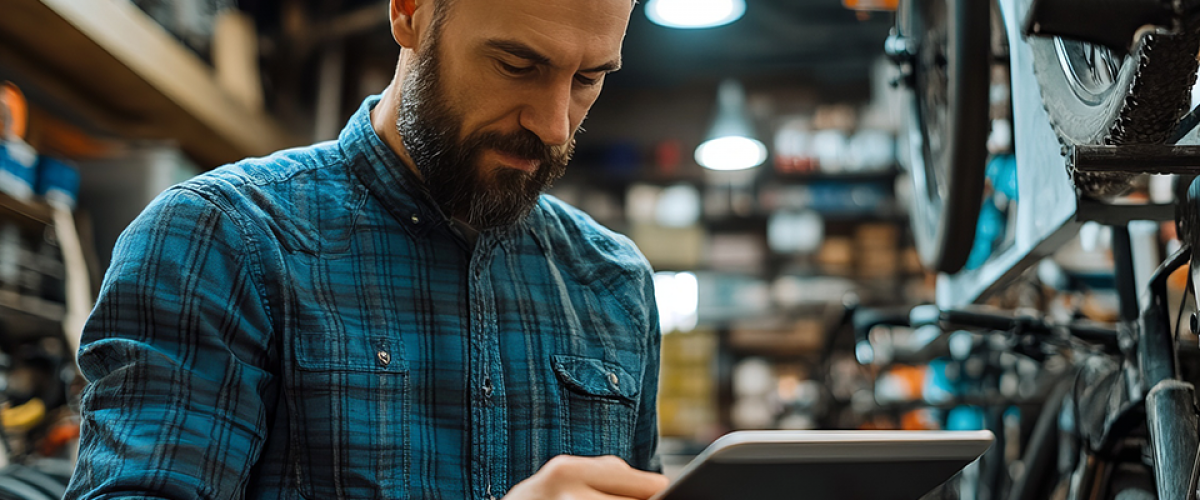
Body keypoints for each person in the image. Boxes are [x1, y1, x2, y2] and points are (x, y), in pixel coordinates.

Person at [64, 0, 668, 498]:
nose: (555, 124)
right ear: (410, 12)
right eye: (516, 65)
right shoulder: (221, 240)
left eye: (589, 79)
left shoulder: (613, 284)